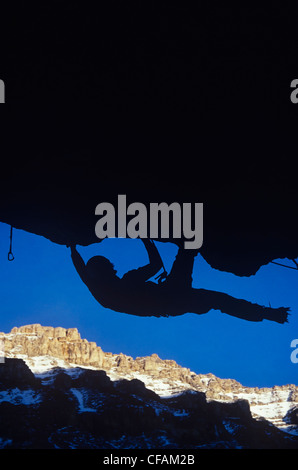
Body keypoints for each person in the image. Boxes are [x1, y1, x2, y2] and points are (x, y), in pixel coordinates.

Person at [69, 239, 290, 324]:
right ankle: (267, 313)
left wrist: (73, 249)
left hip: (172, 303)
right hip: (171, 293)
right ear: (108, 269)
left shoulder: (100, 291)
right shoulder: (125, 281)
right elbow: (155, 264)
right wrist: (145, 239)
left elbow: (81, 270)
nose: (114, 268)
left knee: (218, 299)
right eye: (110, 266)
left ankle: (268, 314)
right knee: (189, 250)